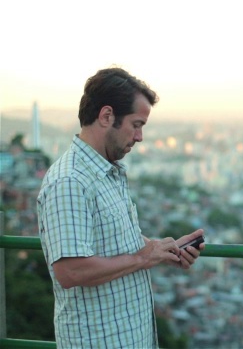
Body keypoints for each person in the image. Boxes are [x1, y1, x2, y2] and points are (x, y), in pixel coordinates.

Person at [37, 67, 205, 348]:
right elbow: (71, 271)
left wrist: (164, 251)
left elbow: (115, 242)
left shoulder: (107, 173)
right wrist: (144, 257)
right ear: (106, 117)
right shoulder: (70, 181)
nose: (139, 137)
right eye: (136, 124)